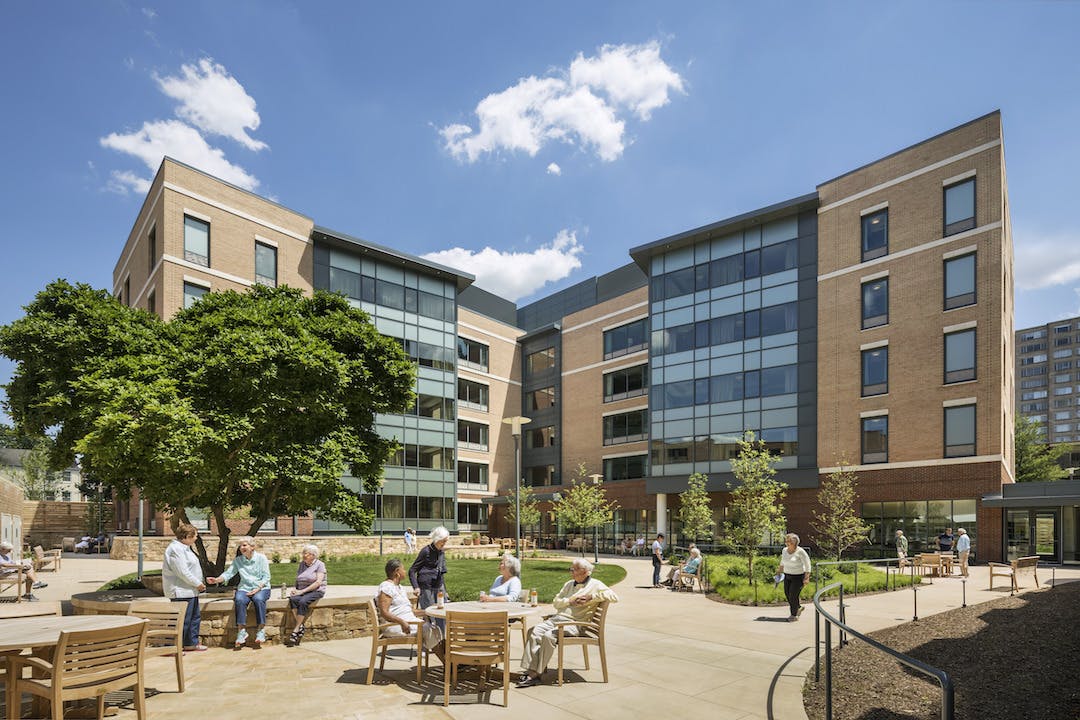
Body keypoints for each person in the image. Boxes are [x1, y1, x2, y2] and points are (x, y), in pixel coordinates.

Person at [517, 558, 619, 687]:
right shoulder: (569, 584)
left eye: (575, 569)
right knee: (533, 631)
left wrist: (592, 597)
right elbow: (556, 602)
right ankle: (531, 669)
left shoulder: (596, 585)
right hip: (558, 619)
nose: (571, 571)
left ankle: (534, 674)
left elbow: (614, 597)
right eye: (571, 568)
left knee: (549, 636)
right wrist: (569, 601)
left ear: (586, 572)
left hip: (575, 624)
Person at [207, 536, 272, 648]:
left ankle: (261, 630)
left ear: (252, 547)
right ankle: (241, 631)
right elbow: (229, 573)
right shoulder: (238, 560)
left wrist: (258, 588)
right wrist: (217, 580)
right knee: (239, 600)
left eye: (244, 545)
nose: (241, 547)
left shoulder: (261, 558)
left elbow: (266, 577)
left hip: (262, 587)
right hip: (244, 588)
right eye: (240, 545)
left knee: (258, 599)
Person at [162, 523, 208, 651]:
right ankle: (171, 647)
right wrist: (197, 583)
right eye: (195, 536)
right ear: (187, 536)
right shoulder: (175, 549)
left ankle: (190, 643)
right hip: (181, 591)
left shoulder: (185, 548)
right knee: (181, 621)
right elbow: (182, 571)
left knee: (194, 618)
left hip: (190, 591)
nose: (196, 538)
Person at [286, 544, 327, 646]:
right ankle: (301, 626)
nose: (304, 555)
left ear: (313, 555)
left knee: (303, 601)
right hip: (302, 590)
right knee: (293, 599)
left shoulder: (320, 564)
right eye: (303, 553)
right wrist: (295, 589)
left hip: (316, 591)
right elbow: (298, 578)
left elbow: (318, 582)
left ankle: (296, 629)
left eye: (306, 553)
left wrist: (302, 591)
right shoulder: (302, 564)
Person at [409, 526, 450, 613]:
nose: (444, 543)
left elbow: (441, 572)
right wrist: (416, 587)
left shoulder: (441, 552)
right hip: (426, 586)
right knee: (430, 613)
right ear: (437, 539)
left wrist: (445, 591)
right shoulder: (426, 551)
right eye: (443, 541)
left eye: (446, 541)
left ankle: (442, 627)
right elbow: (412, 570)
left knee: (443, 611)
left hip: (438, 586)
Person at [377, 558, 421, 637]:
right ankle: (440, 649)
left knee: (433, 629)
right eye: (403, 569)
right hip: (395, 625)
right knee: (428, 629)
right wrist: (402, 622)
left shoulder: (400, 587)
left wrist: (428, 612)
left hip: (409, 621)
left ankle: (439, 649)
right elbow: (384, 613)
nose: (405, 571)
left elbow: (407, 611)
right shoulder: (387, 587)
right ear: (397, 571)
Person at [777, 533, 811, 621]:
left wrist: (807, 577)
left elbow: (807, 565)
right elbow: (782, 561)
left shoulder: (800, 551)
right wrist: (779, 571)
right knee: (788, 594)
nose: (787, 543)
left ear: (795, 542)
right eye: (786, 541)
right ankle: (798, 607)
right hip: (787, 575)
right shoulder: (784, 550)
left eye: (789, 541)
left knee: (793, 595)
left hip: (798, 577)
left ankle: (794, 615)